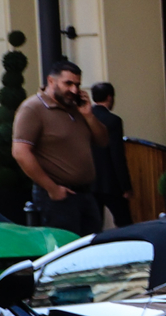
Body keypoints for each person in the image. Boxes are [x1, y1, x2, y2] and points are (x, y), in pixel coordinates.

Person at [9, 59, 106, 236]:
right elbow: (20, 152)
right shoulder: (33, 108)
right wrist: (52, 188)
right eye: (68, 83)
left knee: (92, 250)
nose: (74, 90)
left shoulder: (76, 108)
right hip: (57, 196)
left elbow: (103, 141)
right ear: (51, 81)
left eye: (77, 85)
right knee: (66, 252)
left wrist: (89, 116)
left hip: (86, 193)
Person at [86, 82, 130, 227]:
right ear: (110, 97)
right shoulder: (113, 121)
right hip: (111, 181)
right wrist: (125, 185)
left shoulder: (83, 118)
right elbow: (117, 154)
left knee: (93, 224)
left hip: (89, 181)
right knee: (124, 221)